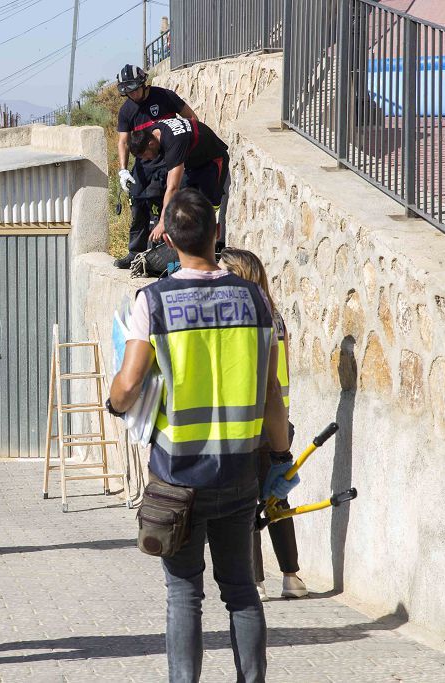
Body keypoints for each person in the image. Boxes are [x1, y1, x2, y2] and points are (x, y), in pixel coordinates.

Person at [107, 188, 296, 683]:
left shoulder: (153, 302)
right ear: (217, 233)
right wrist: (281, 456)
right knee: (240, 591)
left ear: (167, 239)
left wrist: (115, 402)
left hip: (177, 476)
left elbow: (128, 385)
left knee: (184, 593)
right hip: (239, 472)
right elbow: (272, 394)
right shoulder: (257, 300)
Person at [219, 247, 309, 602]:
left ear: (239, 274)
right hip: (278, 421)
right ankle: (291, 575)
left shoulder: (243, 315)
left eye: (225, 270)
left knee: (246, 502)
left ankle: (255, 579)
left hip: (250, 421)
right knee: (275, 499)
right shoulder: (276, 314)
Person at [114, 64, 199, 269]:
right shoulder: (127, 110)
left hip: (169, 158)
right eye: (128, 91)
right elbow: (123, 141)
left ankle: (165, 254)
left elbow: (191, 118)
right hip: (144, 162)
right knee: (138, 203)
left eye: (135, 88)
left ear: (144, 83)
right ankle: (135, 252)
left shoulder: (165, 97)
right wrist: (123, 170)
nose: (133, 94)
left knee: (168, 201)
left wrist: (187, 147)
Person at [127, 116, 230, 250]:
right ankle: (190, 245)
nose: (146, 159)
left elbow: (172, 187)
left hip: (212, 161)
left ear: (151, 144)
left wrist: (163, 222)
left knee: (209, 204)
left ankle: (210, 247)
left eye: (144, 155)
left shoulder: (174, 142)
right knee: (185, 203)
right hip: (192, 163)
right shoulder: (152, 132)